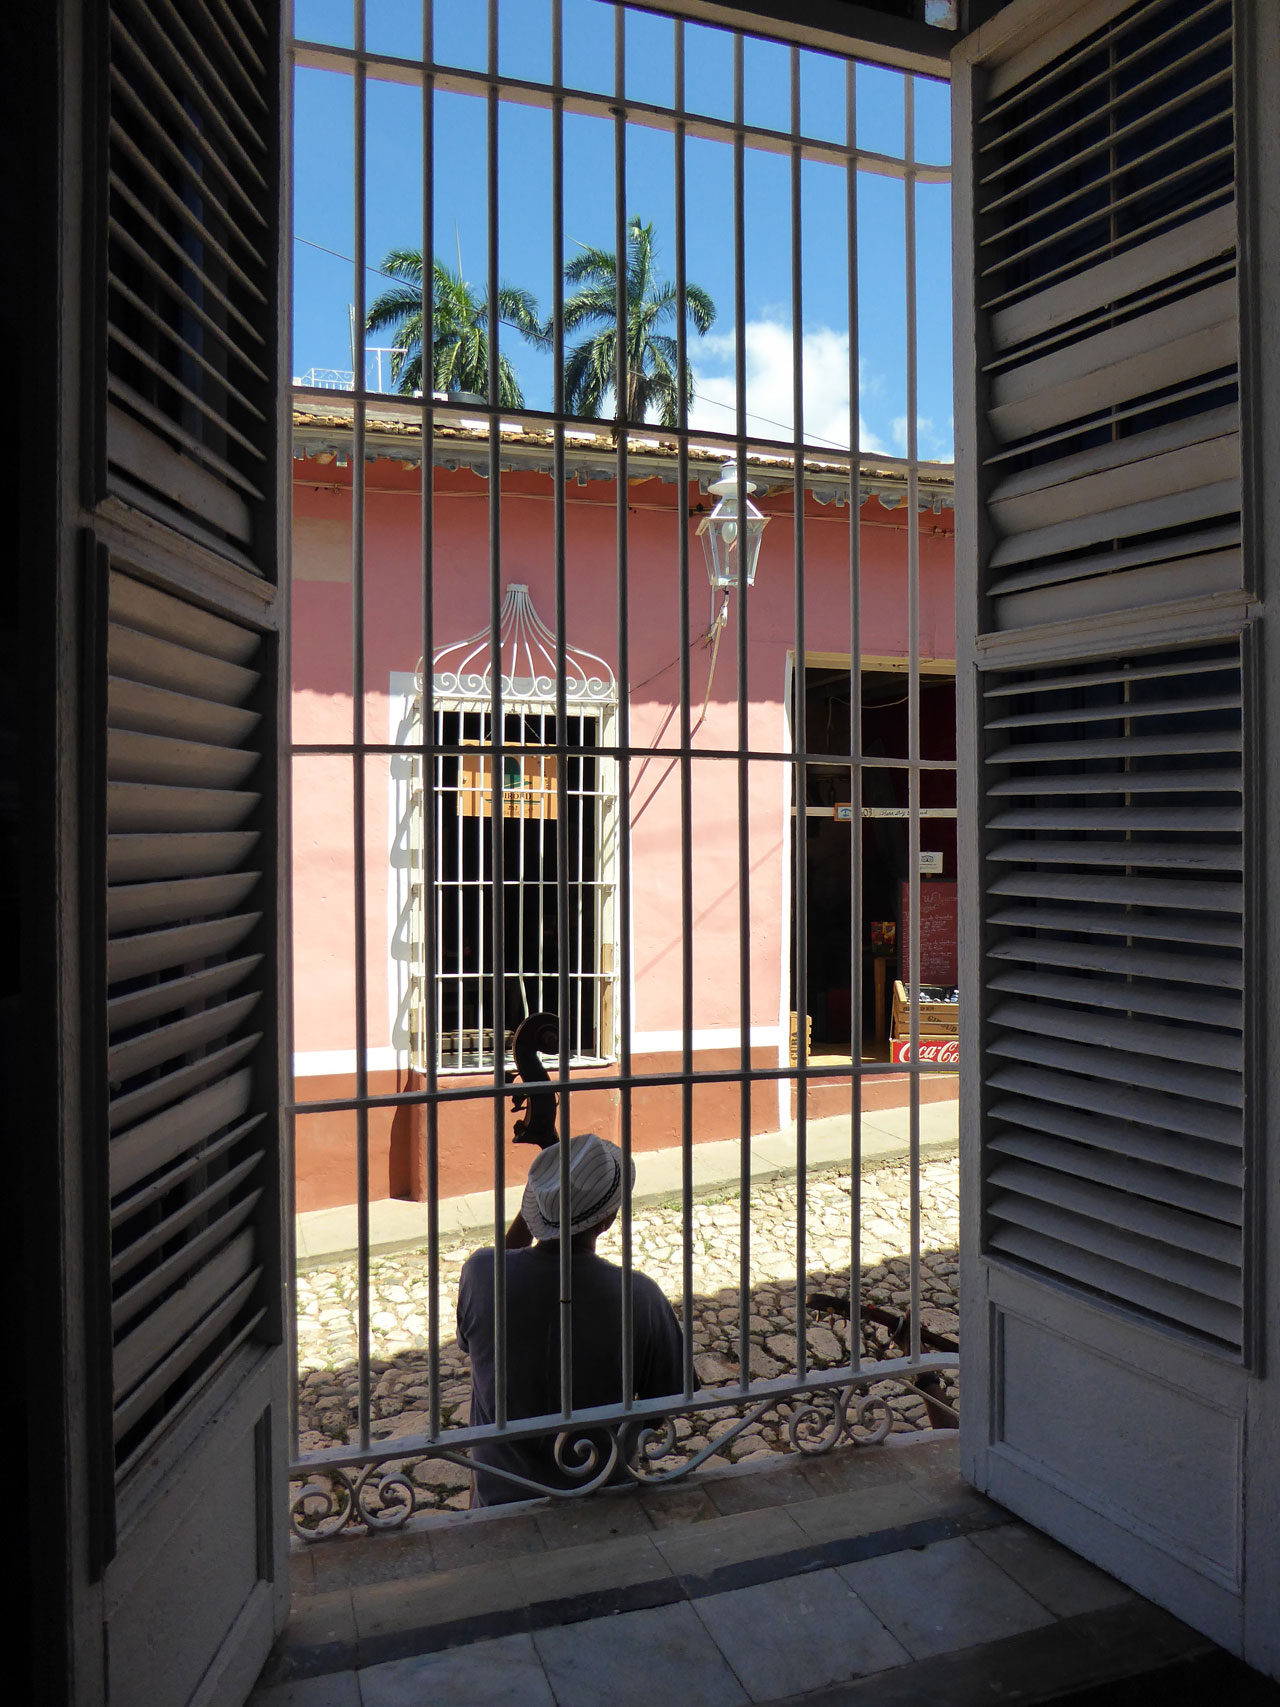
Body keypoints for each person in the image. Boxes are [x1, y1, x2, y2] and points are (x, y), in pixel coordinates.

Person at [455, 1132, 684, 1506]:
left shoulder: (482, 1275)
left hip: (498, 1495)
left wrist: (540, 1207)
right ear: (609, 1219)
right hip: (601, 1492)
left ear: (537, 1210)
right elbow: (670, 1398)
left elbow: (501, 1267)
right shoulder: (639, 1297)